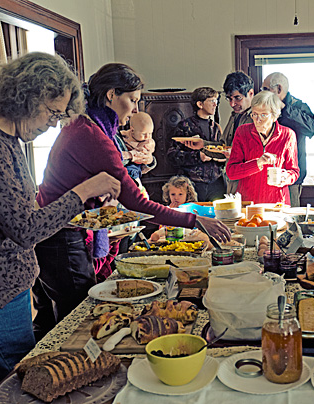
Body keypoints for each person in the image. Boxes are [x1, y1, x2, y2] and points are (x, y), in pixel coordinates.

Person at [0, 52, 122, 389]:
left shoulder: (6, 141)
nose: (53, 123)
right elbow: (24, 229)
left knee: (24, 381)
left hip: (4, 289)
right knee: (17, 388)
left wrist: (81, 204)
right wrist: (84, 190)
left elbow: (20, 212)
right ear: (26, 95)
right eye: (52, 112)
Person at [34, 64, 230, 340]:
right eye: (133, 100)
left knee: (52, 321)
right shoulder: (94, 136)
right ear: (112, 94)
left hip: (52, 233)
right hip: (62, 238)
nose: (136, 109)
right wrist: (195, 220)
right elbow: (137, 203)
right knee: (79, 325)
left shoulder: (84, 125)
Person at [226, 90, 299, 204]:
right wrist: (257, 164)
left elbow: (294, 171)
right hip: (248, 203)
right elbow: (231, 172)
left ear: (275, 116)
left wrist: (285, 177)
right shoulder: (242, 132)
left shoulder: (287, 135)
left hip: (277, 203)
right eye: (254, 114)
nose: (257, 120)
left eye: (263, 115)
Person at [261, 72, 314, 207]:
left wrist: (284, 109)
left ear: (279, 89)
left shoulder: (298, 106)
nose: (262, 92)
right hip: (264, 175)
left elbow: (311, 128)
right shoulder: (263, 107)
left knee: (289, 216)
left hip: (290, 177)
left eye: (266, 89)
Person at [168, 87, 226, 201]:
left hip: (217, 183)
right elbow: (172, 155)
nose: (215, 104)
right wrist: (198, 157)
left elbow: (223, 151)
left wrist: (221, 158)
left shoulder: (216, 127)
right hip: (193, 184)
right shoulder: (184, 126)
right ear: (200, 104)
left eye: (216, 101)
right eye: (212, 101)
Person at [221, 71, 255, 194]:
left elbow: (263, 154)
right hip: (231, 179)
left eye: (237, 98)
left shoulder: (258, 118)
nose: (232, 104)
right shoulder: (235, 115)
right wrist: (203, 144)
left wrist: (236, 153)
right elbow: (223, 146)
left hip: (249, 182)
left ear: (250, 93)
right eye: (229, 99)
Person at [116, 111, 156, 198]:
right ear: (132, 130)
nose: (147, 136)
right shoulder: (126, 135)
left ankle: (139, 190)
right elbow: (123, 134)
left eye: (150, 133)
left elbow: (144, 156)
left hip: (135, 167)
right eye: (144, 134)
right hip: (122, 170)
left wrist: (130, 154)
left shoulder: (147, 142)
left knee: (133, 175)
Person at [149, 176, 199, 242]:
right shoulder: (166, 209)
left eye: (180, 194)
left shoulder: (191, 208)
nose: (176, 198)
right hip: (170, 238)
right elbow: (162, 227)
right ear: (168, 194)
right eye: (173, 194)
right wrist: (170, 212)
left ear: (187, 194)